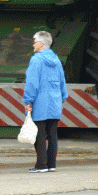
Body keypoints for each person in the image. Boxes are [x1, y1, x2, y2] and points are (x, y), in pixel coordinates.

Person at [23, 31, 68, 173]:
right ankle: (51, 164)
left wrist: (28, 100)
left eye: (34, 41)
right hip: (54, 101)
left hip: (40, 101)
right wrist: (62, 98)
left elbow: (32, 82)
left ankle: (41, 165)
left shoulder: (36, 60)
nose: (33, 44)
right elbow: (62, 81)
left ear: (41, 43)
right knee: (52, 133)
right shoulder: (56, 60)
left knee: (39, 133)